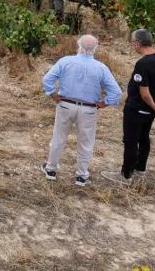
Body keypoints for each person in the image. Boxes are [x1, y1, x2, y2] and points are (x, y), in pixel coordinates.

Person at [40, 34, 122, 187]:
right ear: (95, 49)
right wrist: (105, 103)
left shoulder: (65, 61)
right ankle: (81, 176)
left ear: (79, 45)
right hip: (89, 109)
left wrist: (52, 94)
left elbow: (47, 79)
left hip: (65, 104)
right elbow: (116, 92)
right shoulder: (101, 67)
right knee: (86, 142)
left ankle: (51, 169)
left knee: (59, 137)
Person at [103, 29, 155, 185]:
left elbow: (144, 93)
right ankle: (141, 170)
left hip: (137, 108)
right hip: (151, 111)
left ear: (137, 43)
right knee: (144, 137)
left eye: (133, 43)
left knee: (131, 140)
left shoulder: (143, 63)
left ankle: (126, 175)